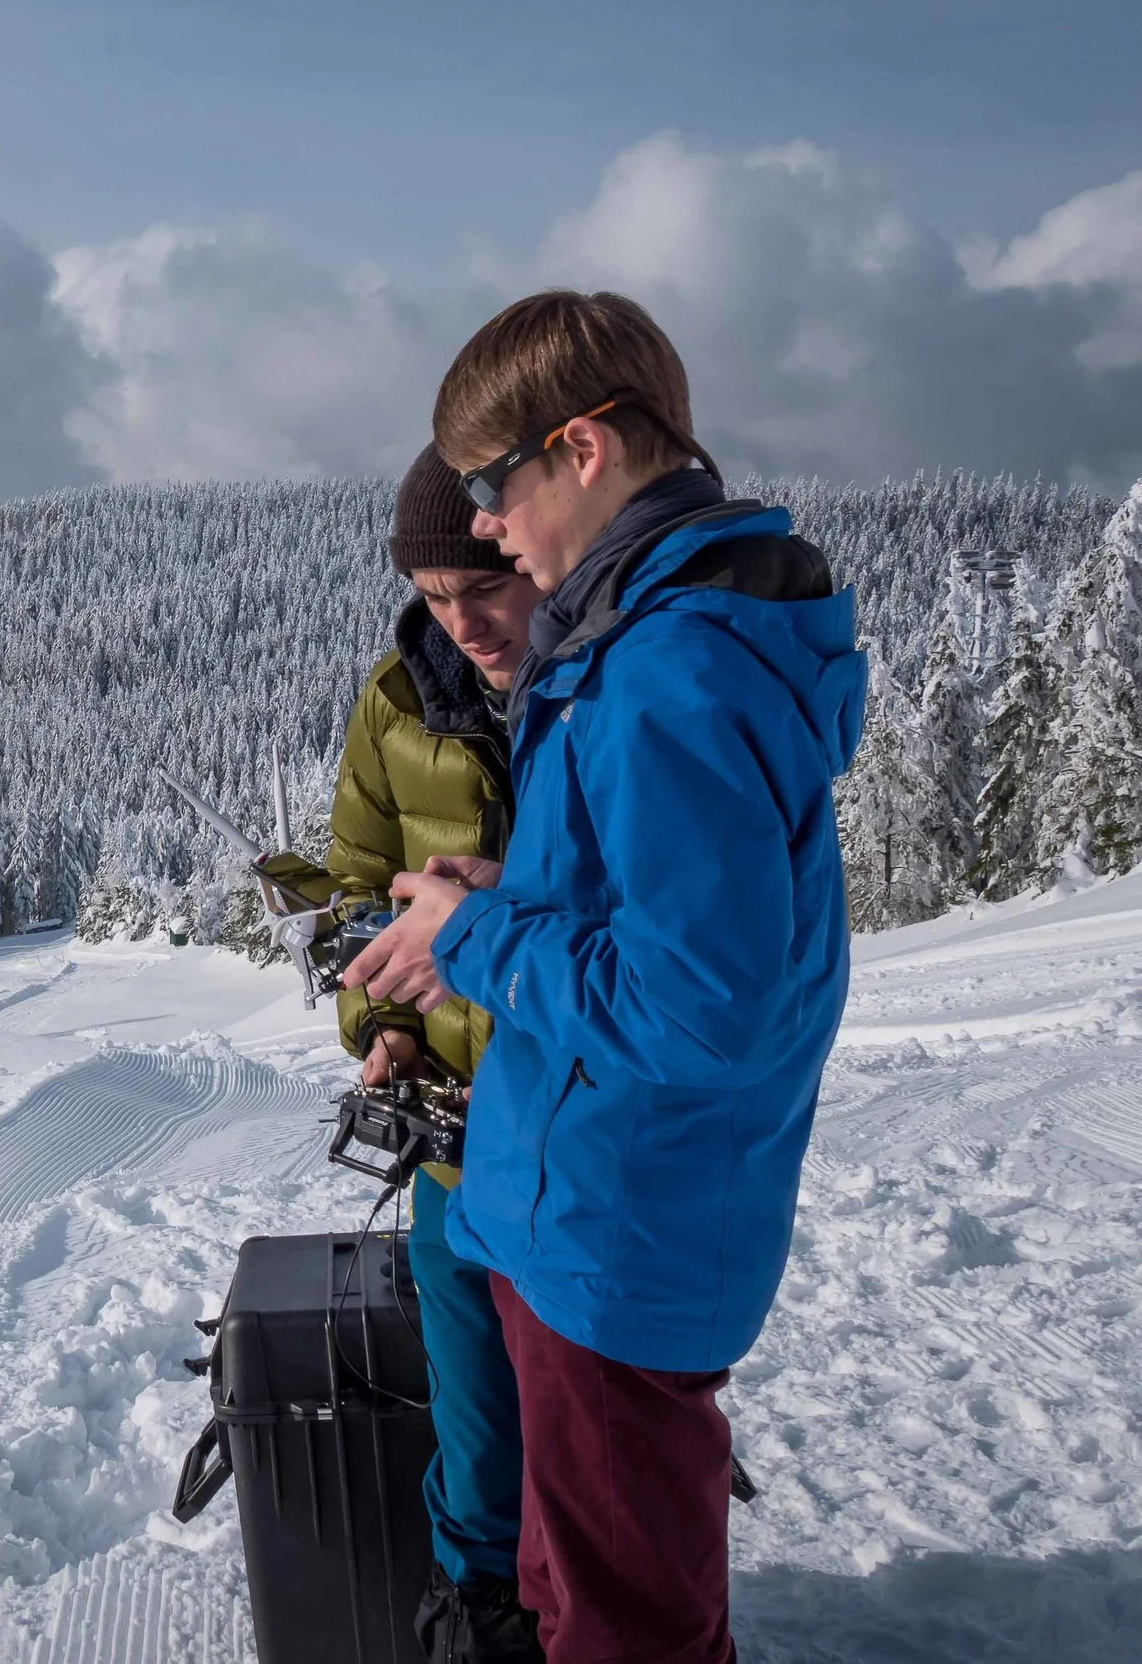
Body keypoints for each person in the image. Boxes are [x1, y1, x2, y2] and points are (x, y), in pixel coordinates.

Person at [343, 290, 863, 1664]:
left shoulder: (666, 669)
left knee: (623, 1627)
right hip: (579, 1207)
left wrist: (473, 938)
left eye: (487, 489)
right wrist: (503, 899)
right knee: (573, 1590)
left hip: (620, 1224)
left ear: (581, 449)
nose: (486, 529)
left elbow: (700, 1006)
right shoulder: (638, 645)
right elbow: (659, 919)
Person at [325, 444, 544, 1664]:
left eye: (483, 588)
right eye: (432, 594)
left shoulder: (602, 691)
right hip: (457, 1137)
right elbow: (358, 888)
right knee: (473, 1414)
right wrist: (388, 1026)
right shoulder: (397, 700)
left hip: (582, 1129)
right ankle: (479, 1619)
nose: (460, 623)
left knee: (588, 1412)